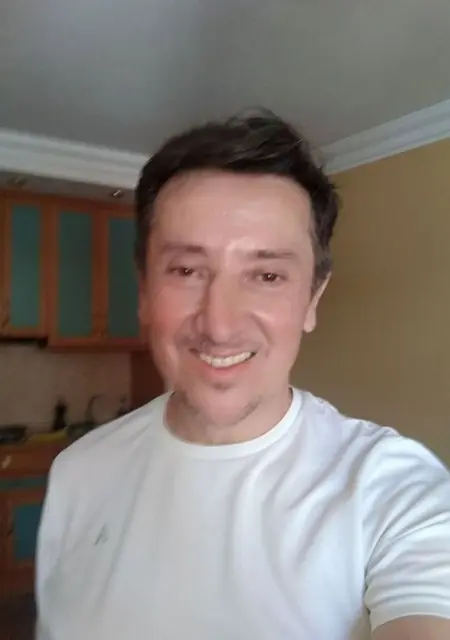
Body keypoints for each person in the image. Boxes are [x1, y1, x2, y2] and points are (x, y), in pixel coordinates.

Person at [35, 110, 450, 640]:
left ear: (312, 299)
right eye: (187, 271)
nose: (220, 324)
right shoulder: (78, 471)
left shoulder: (394, 492)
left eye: (267, 275)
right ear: (145, 290)